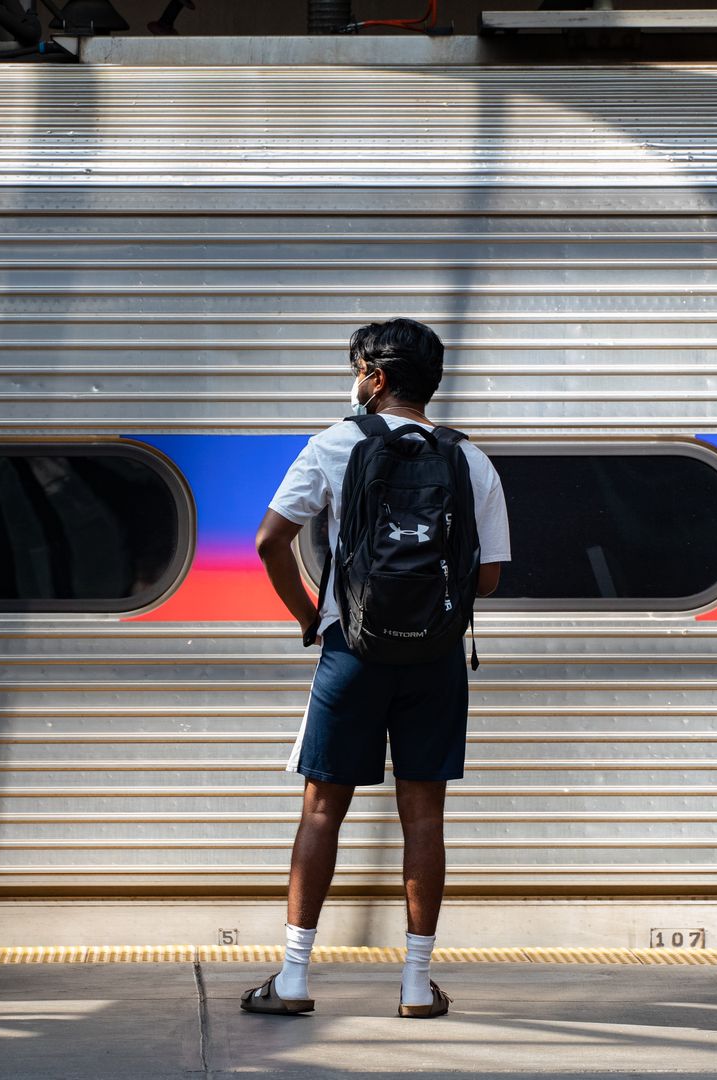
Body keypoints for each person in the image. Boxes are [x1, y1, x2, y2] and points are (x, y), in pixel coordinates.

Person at [241, 318, 512, 1020]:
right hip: (435, 659)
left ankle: (295, 979)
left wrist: (310, 613)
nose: (353, 378)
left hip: (352, 652)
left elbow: (271, 540)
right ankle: (417, 986)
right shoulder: (470, 460)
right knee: (425, 819)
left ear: (377, 376)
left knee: (322, 810)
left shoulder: (334, 445)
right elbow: (486, 577)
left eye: (356, 367)